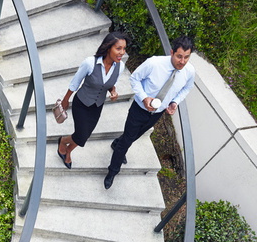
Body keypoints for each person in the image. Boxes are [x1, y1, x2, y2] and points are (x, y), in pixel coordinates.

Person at [104, 35, 195, 189]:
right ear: (172, 52)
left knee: (134, 136)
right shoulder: (154, 63)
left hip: (157, 113)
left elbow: (187, 88)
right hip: (139, 109)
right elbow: (134, 79)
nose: (183, 61)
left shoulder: (189, 71)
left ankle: (117, 143)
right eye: (179, 56)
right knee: (127, 142)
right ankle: (112, 171)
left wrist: (175, 102)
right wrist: (144, 98)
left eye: (186, 57)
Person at [57, 32, 127, 168]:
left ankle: (68, 148)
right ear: (108, 48)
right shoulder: (90, 63)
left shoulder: (120, 66)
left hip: (97, 106)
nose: (122, 52)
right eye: (118, 48)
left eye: (124, 49)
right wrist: (66, 100)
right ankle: (63, 141)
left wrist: (113, 92)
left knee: (85, 135)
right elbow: (75, 82)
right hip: (82, 103)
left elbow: (110, 84)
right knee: (81, 134)